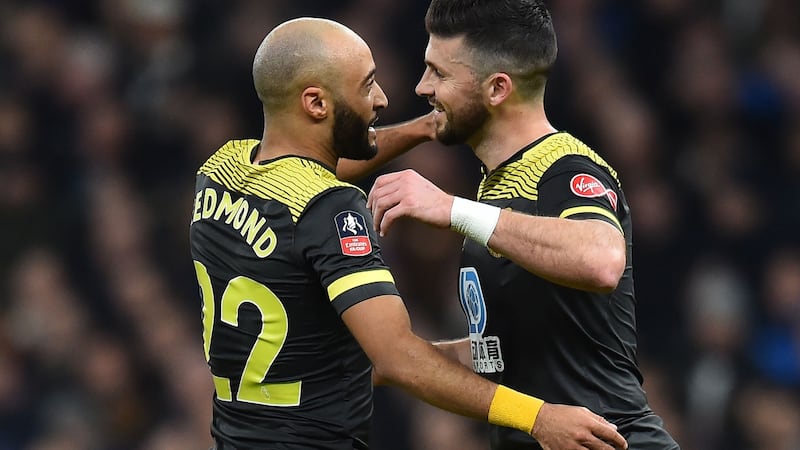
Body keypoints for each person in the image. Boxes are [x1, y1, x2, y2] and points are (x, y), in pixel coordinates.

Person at [189, 16, 627, 450]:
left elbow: (308, 172)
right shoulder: (332, 210)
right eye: (366, 85)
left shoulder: (221, 170)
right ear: (316, 104)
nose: (382, 98)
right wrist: (537, 416)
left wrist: (421, 129)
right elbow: (397, 358)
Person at [367, 1, 681, 450]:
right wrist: (394, 360)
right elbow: (497, 354)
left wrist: (450, 208)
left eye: (438, 73)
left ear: (497, 89)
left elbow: (601, 258)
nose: (421, 87)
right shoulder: (495, 188)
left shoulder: (563, 167)